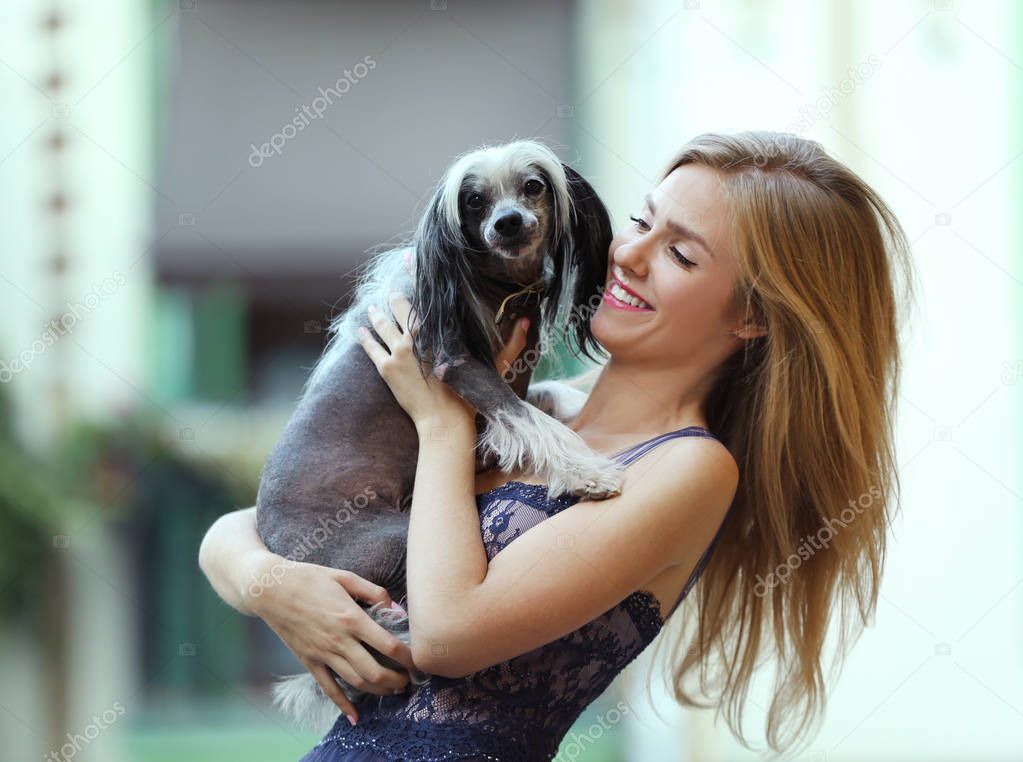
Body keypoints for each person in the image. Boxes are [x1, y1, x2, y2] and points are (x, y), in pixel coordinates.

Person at [199, 131, 914, 760]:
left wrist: (445, 424)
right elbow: (257, 521)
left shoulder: (688, 467)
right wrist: (271, 586)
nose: (627, 254)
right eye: (639, 220)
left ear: (753, 314)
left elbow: (448, 636)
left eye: (680, 254)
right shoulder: (538, 411)